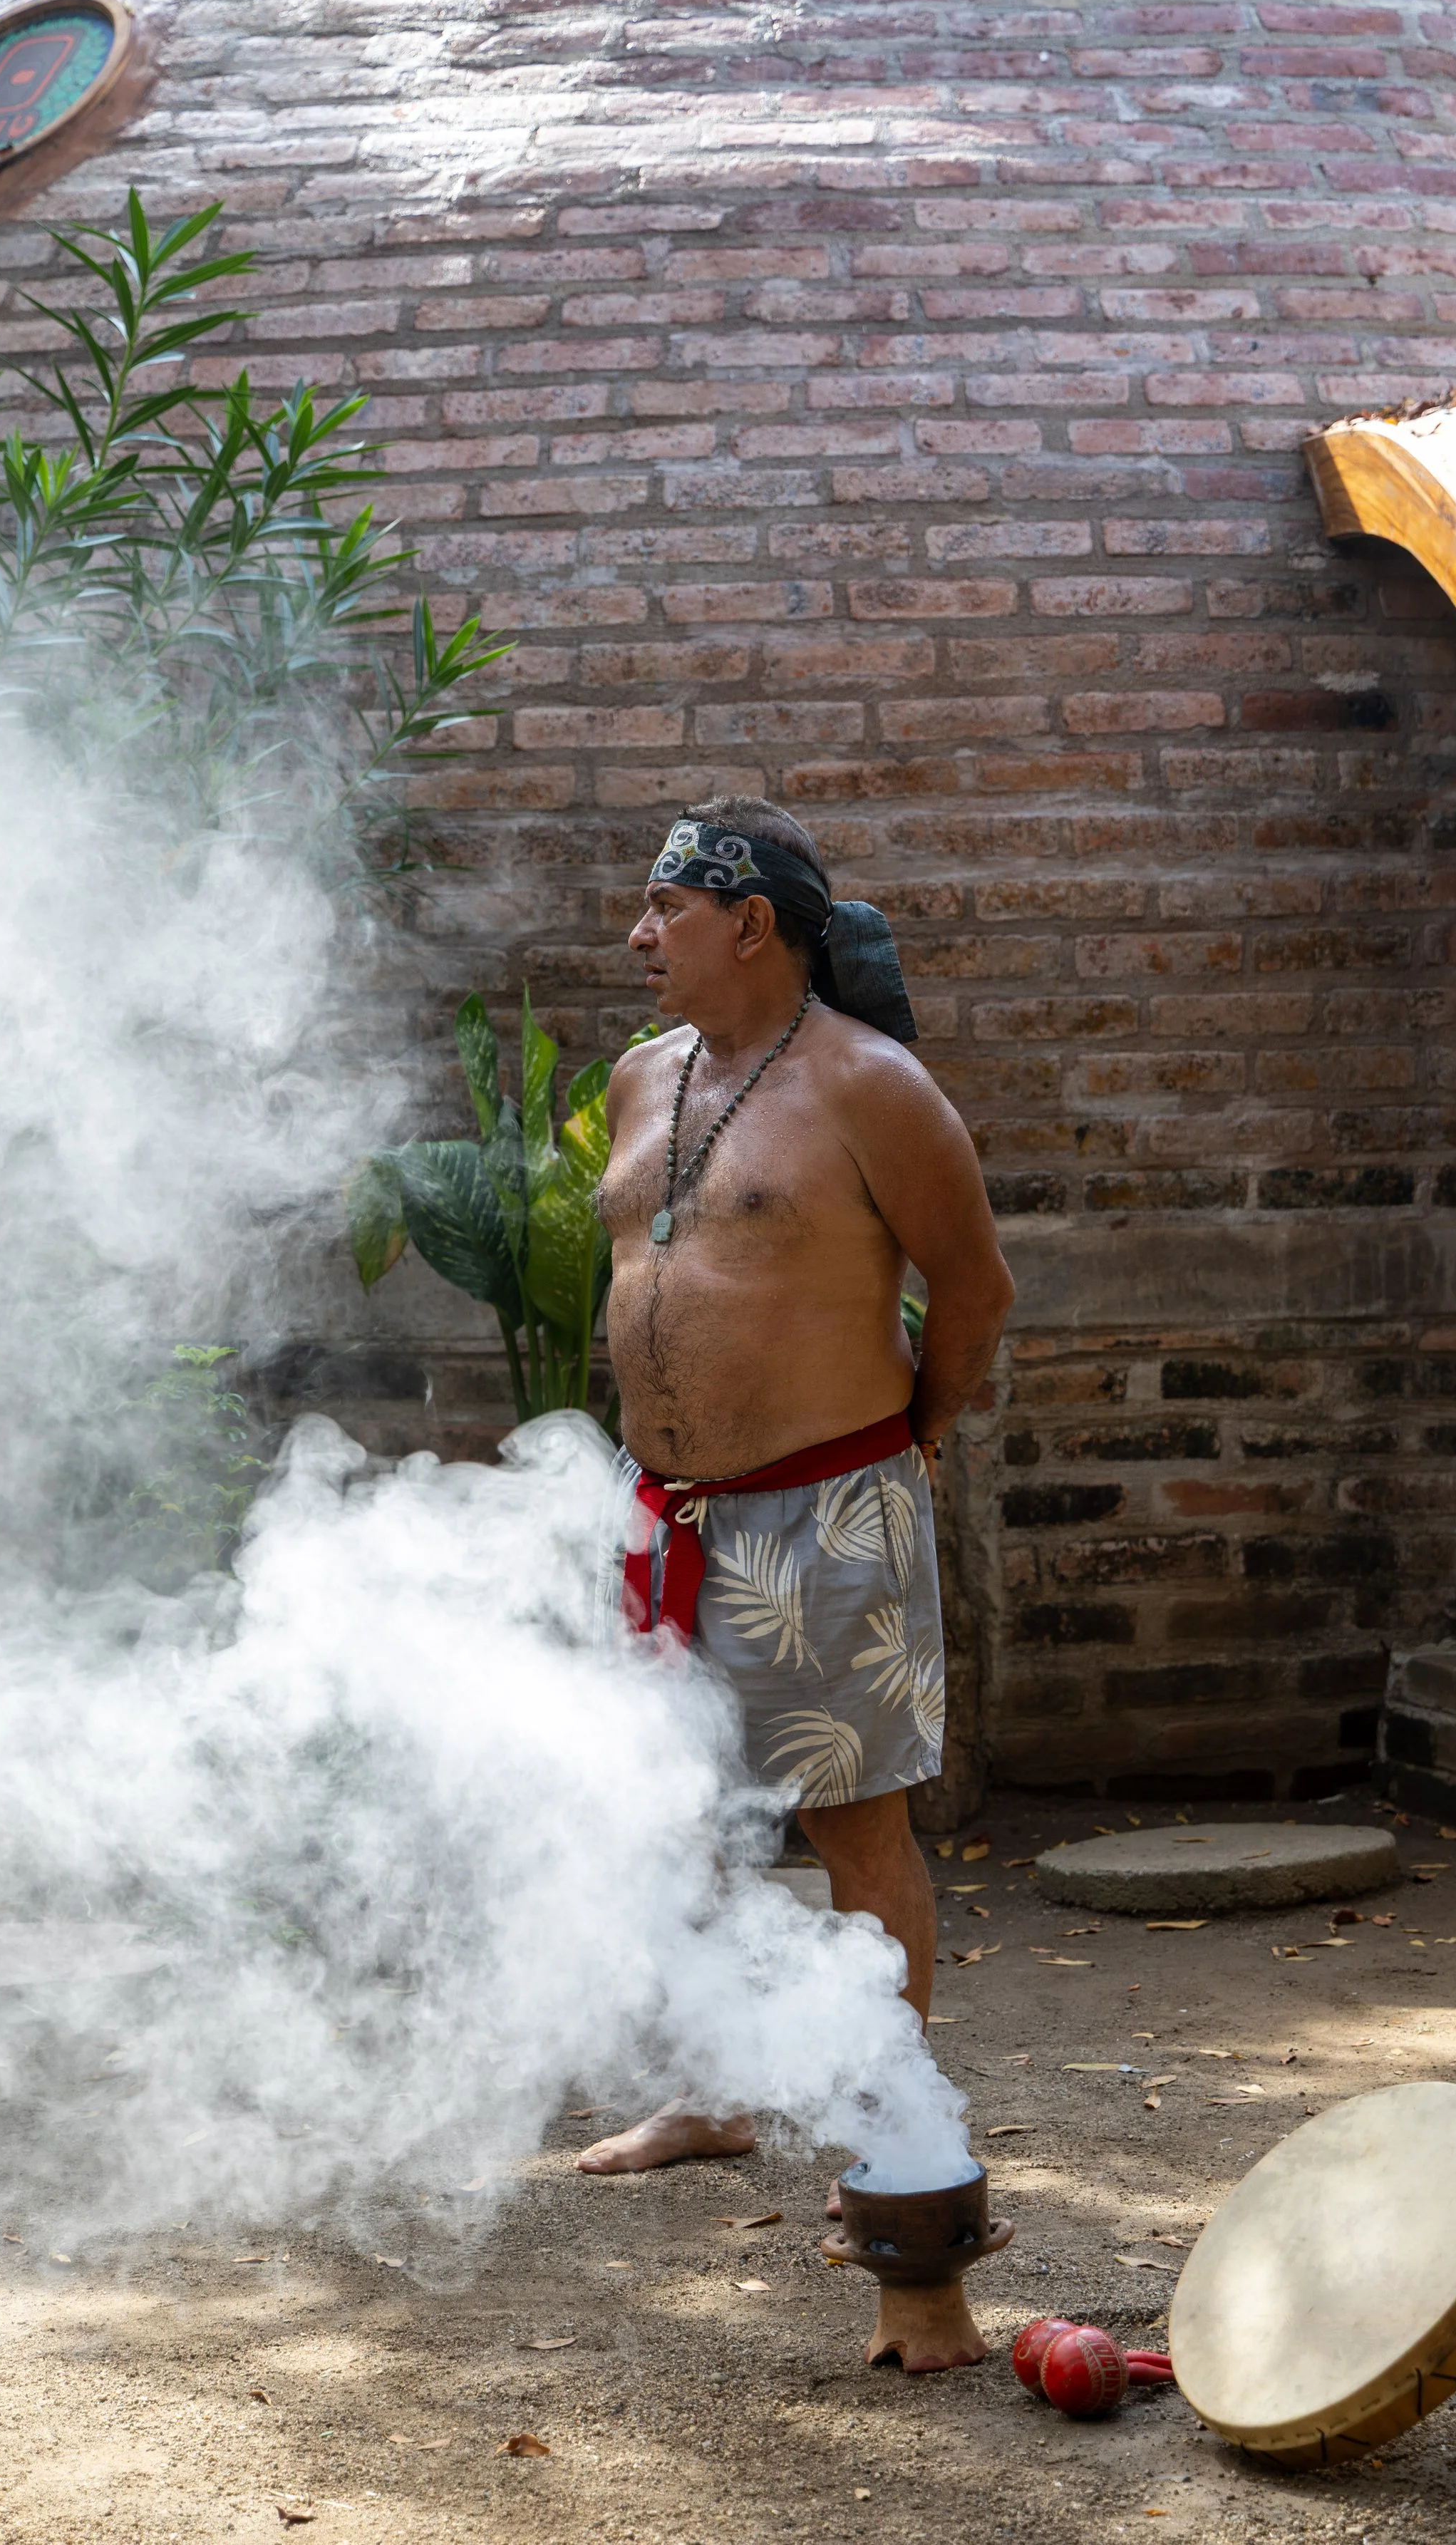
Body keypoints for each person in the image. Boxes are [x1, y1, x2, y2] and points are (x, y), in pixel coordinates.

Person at [576, 796, 1014, 2177]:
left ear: (752, 924)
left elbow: (974, 1289)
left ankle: (891, 2147)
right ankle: (712, 2096)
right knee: (681, 1822)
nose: (639, 934)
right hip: (666, 1515)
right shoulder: (641, 1079)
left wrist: (917, 1433)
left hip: (825, 1507)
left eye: (668, 910)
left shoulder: (871, 1086)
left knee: (852, 1827)